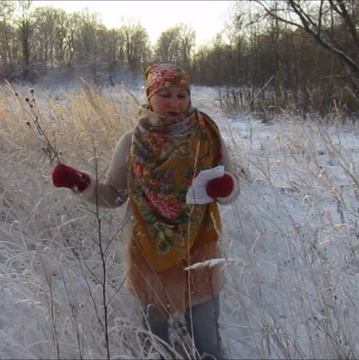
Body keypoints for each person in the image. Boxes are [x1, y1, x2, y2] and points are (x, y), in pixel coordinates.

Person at [51, 63, 239, 359]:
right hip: (150, 249)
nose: (174, 102)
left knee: (207, 345)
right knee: (155, 343)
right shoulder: (132, 142)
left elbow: (231, 191)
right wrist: (81, 183)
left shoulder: (207, 137)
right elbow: (114, 195)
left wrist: (225, 188)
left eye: (181, 95)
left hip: (199, 249)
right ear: (149, 96)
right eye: (165, 94)